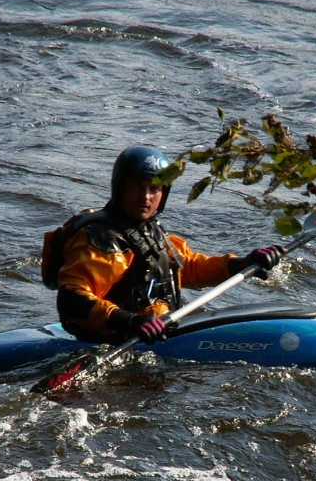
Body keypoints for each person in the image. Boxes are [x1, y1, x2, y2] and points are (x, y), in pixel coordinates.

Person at [55, 145, 285, 345]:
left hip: (158, 332)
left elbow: (188, 267)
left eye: (154, 188)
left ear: (163, 193)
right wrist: (130, 321)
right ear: (120, 188)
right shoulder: (102, 240)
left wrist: (241, 264)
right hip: (118, 339)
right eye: (136, 186)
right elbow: (72, 299)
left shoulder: (149, 229)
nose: (145, 196)